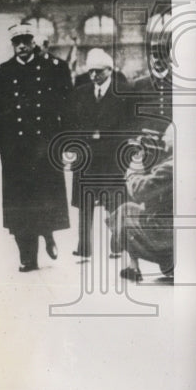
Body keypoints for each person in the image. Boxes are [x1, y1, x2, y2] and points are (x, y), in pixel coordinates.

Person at [0, 24, 72, 272]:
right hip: (15, 150)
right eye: (17, 41)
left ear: (34, 42)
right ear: (12, 45)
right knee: (19, 205)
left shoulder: (53, 69)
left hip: (45, 148)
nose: (21, 45)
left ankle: (48, 233)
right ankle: (27, 256)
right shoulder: (2, 73)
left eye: (26, 40)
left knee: (45, 200)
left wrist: (66, 142)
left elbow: (66, 109)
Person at [67, 48, 133, 258]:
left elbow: (129, 124)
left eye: (98, 72)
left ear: (109, 70)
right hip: (86, 157)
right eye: (91, 72)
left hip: (112, 157)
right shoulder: (81, 92)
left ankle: (117, 243)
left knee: (114, 201)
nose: (94, 76)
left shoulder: (124, 92)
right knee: (85, 203)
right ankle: (84, 246)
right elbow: (73, 122)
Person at [110, 126, 174, 283]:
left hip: (169, 237)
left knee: (126, 210)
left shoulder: (171, 166)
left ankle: (133, 265)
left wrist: (133, 171)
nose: (164, 140)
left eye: (166, 136)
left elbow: (140, 192)